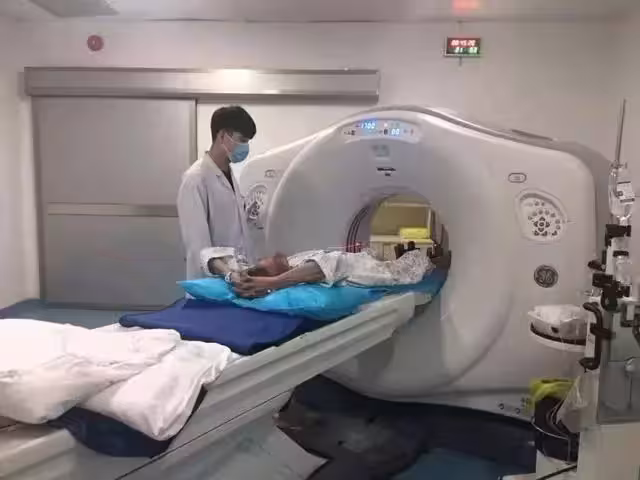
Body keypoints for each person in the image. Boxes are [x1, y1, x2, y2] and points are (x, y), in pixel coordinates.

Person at [177, 106, 257, 279]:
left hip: (238, 278)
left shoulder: (229, 175)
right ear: (222, 136)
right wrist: (229, 274)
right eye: (242, 140)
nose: (246, 147)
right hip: (214, 282)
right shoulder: (195, 179)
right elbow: (199, 247)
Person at [199, 246, 451, 298]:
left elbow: (210, 255)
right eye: (266, 263)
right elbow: (325, 266)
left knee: (417, 257)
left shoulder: (287, 264)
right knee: (423, 263)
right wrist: (273, 282)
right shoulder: (296, 276)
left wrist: (230, 274)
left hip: (368, 257)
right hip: (376, 271)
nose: (272, 255)